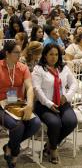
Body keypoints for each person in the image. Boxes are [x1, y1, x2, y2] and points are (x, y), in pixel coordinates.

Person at [32, 44, 77, 164]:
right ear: (45, 55)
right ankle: (53, 149)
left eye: (56, 54)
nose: (54, 57)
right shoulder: (39, 69)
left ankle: (51, 144)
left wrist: (66, 96)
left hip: (62, 101)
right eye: (51, 54)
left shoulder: (63, 68)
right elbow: (36, 89)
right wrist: (48, 103)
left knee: (71, 122)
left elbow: (74, 84)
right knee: (55, 123)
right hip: (44, 104)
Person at [0, 40, 41, 168]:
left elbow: (29, 87)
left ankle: (9, 147)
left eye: (20, 52)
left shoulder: (22, 67)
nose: (19, 55)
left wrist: (29, 105)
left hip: (17, 103)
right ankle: (15, 154)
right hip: (1, 104)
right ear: (7, 53)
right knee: (18, 126)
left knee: (36, 123)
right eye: (16, 53)